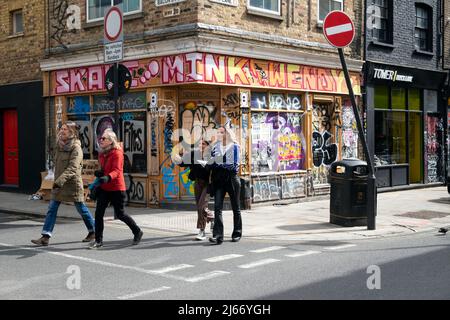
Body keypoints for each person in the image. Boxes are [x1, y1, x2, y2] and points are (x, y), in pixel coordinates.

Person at [31, 122, 95, 246]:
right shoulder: (59, 146)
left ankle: (93, 231)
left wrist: (59, 181)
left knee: (81, 209)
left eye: (65, 129)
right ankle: (45, 236)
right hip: (58, 184)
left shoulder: (76, 148)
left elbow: (73, 168)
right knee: (52, 209)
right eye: (61, 128)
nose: (62, 131)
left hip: (72, 184)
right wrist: (56, 180)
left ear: (72, 133)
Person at [89, 129, 143, 249]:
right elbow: (104, 168)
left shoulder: (117, 153)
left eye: (104, 138)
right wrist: (100, 172)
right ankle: (98, 241)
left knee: (120, 214)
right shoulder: (102, 153)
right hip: (104, 187)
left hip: (116, 187)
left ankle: (137, 231)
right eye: (100, 138)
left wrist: (108, 177)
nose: (101, 140)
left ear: (111, 141)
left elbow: (117, 170)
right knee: (98, 214)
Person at [173, 138, 214, 241]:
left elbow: (208, 168)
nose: (201, 145)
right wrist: (177, 159)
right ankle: (212, 218)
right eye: (200, 143)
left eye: (204, 144)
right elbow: (183, 163)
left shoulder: (211, 156)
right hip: (197, 182)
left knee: (201, 206)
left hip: (208, 184)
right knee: (200, 207)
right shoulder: (193, 153)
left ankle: (202, 231)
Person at [208, 126, 242, 245]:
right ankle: (218, 235)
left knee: (236, 207)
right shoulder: (215, 146)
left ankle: (237, 233)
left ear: (227, 134)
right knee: (217, 208)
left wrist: (218, 163)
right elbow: (211, 161)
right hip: (218, 179)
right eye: (218, 132)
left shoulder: (235, 147)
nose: (219, 134)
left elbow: (234, 165)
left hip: (231, 178)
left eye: (221, 132)